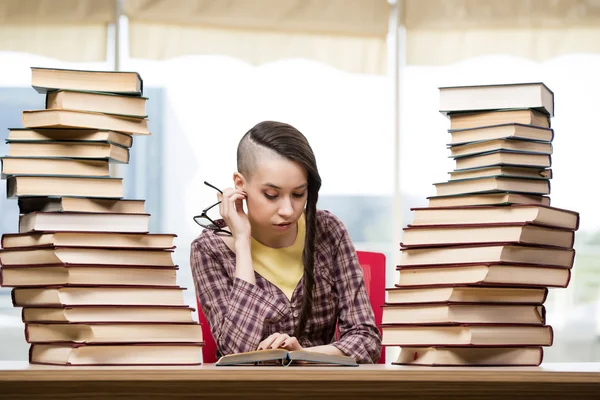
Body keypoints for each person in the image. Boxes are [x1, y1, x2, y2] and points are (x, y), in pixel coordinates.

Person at [190, 121, 381, 363]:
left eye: (299, 194)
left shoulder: (328, 230)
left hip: (322, 390)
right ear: (240, 185)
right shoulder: (209, 249)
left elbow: (366, 340)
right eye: (271, 195)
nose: (288, 210)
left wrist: (305, 355)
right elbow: (235, 354)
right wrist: (242, 242)